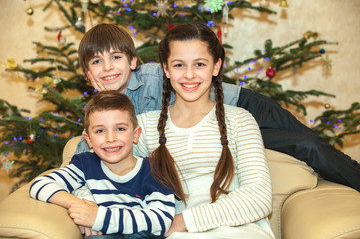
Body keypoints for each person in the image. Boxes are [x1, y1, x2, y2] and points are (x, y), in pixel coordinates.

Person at [75, 23, 360, 192]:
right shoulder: (100, 114)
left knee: (311, 143)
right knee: (305, 145)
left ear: (132, 61)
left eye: (115, 57)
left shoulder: (154, 77)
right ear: (88, 74)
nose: (109, 68)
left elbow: (193, 69)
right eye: (97, 62)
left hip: (241, 103)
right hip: (221, 124)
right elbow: (85, 154)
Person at [133, 22, 274, 238]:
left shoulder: (239, 121)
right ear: (166, 69)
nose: (189, 75)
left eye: (199, 64)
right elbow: (107, 179)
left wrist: (183, 221)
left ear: (216, 67)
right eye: (179, 65)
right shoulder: (143, 128)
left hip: (240, 233)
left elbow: (259, 199)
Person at [29, 91, 175, 238]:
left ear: (135, 135)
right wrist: (82, 208)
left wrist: (99, 218)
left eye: (120, 129)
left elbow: (161, 220)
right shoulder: (85, 164)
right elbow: (40, 184)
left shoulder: (153, 168)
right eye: (100, 131)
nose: (110, 138)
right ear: (88, 139)